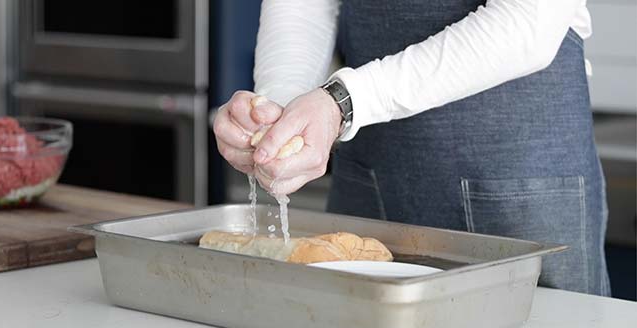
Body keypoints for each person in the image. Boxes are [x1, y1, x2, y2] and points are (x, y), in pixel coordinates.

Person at [213, 0, 610, 296]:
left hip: (517, 184)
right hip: (371, 178)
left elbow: (530, 22)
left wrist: (345, 102)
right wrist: (280, 113)